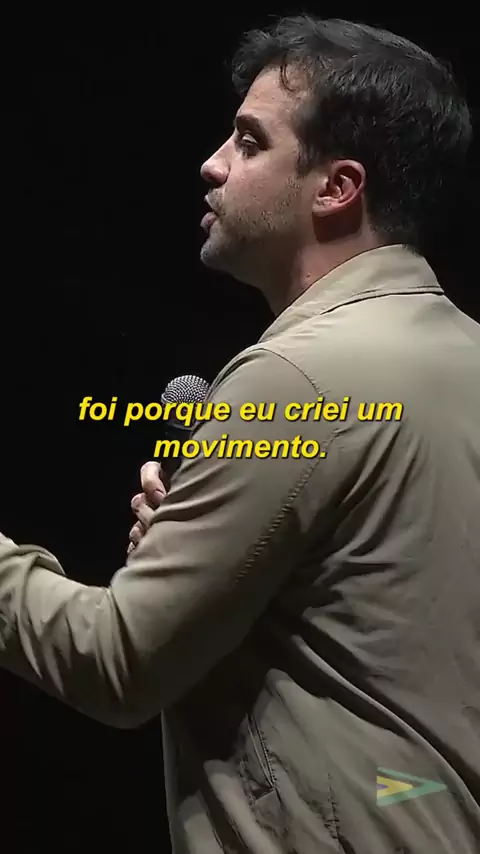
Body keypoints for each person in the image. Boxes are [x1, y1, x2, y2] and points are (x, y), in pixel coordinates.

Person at [0, 14, 479, 853]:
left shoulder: (296, 379)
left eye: (250, 142)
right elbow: (386, 626)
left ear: (337, 187)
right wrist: (230, 565)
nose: (213, 163)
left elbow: (118, 664)